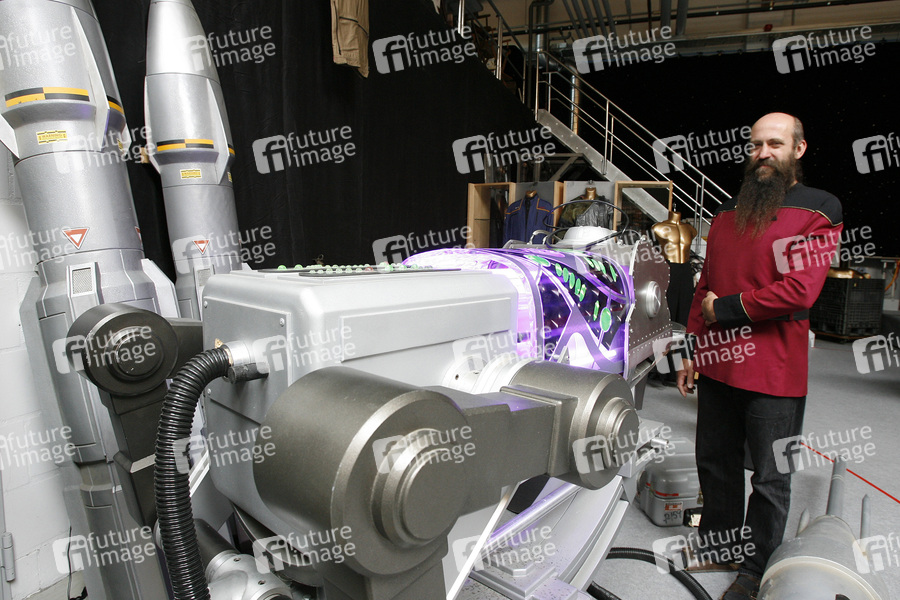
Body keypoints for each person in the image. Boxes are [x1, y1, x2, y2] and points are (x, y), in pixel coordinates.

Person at [676, 112, 842, 600]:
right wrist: (692, 348)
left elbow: (799, 290)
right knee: (715, 461)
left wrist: (723, 309)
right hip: (718, 362)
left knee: (770, 477)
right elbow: (704, 285)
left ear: (798, 149)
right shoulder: (727, 211)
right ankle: (720, 544)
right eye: (755, 145)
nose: (763, 153)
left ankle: (754, 571)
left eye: (775, 143)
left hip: (774, 369)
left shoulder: (820, 209)